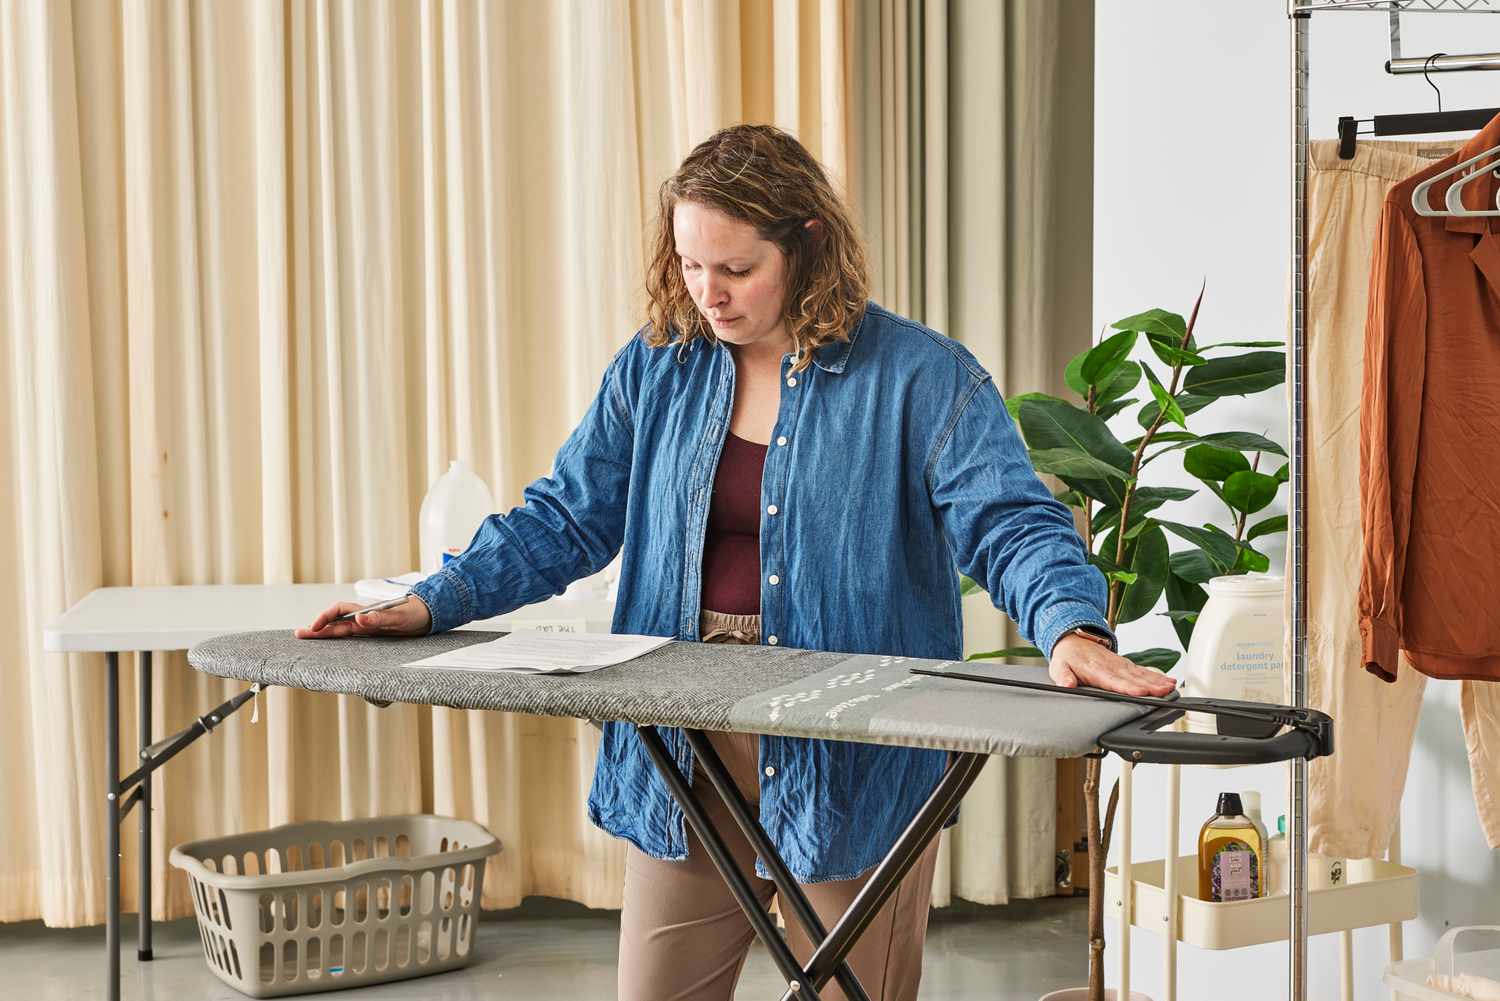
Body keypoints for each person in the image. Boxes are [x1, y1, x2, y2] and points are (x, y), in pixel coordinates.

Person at [298, 123, 1174, 1001]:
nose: (707, 294)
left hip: (847, 744)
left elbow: (1012, 522)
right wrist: (431, 601)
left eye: (736, 269)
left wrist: (1069, 626)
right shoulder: (656, 368)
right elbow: (564, 518)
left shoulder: (921, 377)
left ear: (808, 244)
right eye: (689, 264)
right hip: (680, 730)